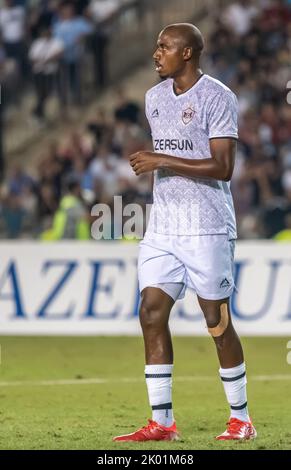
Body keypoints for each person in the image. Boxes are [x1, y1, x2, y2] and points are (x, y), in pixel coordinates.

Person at [113, 23, 257, 442]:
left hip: (207, 226)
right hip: (164, 227)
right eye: (157, 46)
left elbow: (223, 166)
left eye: (165, 47)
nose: (156, 53)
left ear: (188, 53)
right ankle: (162, 423)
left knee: (216, 321)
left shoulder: (217, 96)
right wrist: (162, 164)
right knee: (151, 312)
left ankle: (241, 418)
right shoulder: (153, 98)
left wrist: (162, 161)